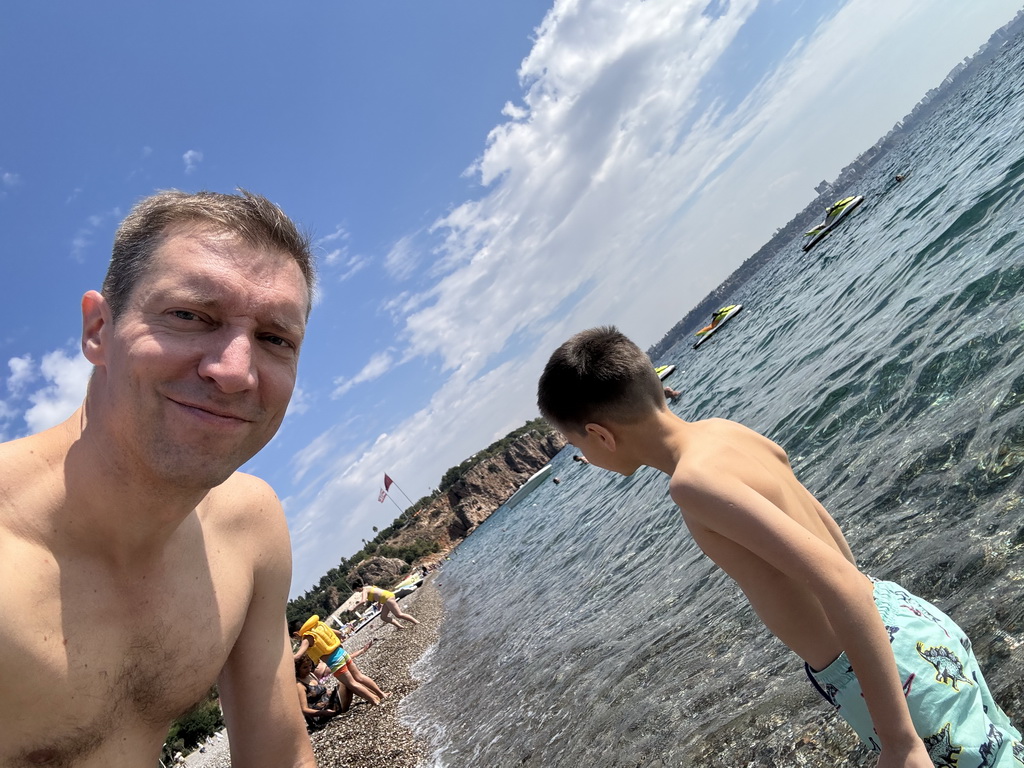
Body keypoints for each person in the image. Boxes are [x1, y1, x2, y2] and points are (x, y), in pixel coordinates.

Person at [537, 326, 1022, 768]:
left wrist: (900, 741)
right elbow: (835, 545)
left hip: (881, 663)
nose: (582, 454)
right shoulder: (722, 431)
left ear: (600, 434)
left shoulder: (692, 483)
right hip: (899, 617)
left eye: (574, 441)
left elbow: (840, 584)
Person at [0, 190, 318, 767]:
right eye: (191, 316)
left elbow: (282, 755)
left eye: (275, 339)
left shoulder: (249, 527)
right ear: (98, 329)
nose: (234, 372)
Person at [290, 616, 389, 707]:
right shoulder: (319, 625)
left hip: (335, 662)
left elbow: (298, 656)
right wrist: (341, 638)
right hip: (342, 653)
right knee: (359, 676)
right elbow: (338, 633)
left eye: (295, 638)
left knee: (352, 683)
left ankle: (374, 700)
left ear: (295, 634)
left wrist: (287, 661)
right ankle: (381, 694)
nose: (298, 639)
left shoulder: (307, 638)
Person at [294, 656, 345, 729]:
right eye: (305, 667)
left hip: (329, 703)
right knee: (345, 683)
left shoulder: (311, 675)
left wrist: (333, 693)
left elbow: (324, 690)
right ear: (297, 669)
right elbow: (304, 709)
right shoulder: (299, 685)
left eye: (310, 665)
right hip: (320, 714)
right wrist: (323, 713)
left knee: (345, 682)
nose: (309, 669)